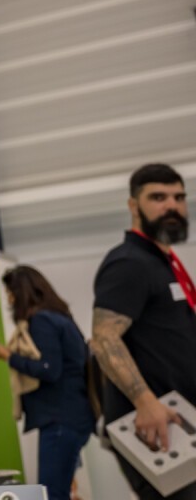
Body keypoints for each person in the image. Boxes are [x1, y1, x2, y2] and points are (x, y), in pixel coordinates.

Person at [90, 163, 195, 500]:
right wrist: (144, 401)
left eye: (179, 197)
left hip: (181, 421)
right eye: (158, 197)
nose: (172, 206)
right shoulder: (129, 263)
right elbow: (105, 338)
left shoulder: (162, 263)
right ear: (133, 206)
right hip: (155, 426)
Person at [0, 266, 94, 500]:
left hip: (61, 418)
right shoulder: (61, 318)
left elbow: (49, 370)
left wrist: (7, 356)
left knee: (51, 494)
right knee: (59, 491)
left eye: (10, 293)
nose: (9, 300)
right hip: (74, 416)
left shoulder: (42, 321)